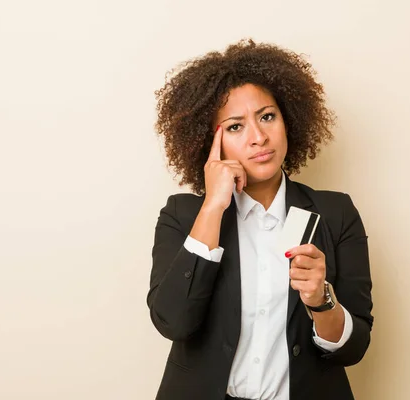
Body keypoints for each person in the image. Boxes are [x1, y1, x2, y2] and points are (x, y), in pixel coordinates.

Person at [148, 39, 373, 400]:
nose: (259, 137)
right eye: (235, 127)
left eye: (267, 116)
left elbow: (354, 347)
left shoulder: (336, 213)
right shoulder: (183, 215)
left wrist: (320, 299)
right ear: (210, 143)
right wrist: (212, 207)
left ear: (288, 120)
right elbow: (173, 322)